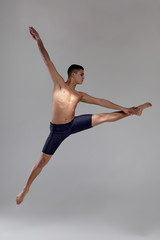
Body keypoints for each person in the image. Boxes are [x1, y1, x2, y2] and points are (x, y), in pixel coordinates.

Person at [16, 27, 152, 205]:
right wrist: (39, 41)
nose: (83, 77)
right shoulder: (58, 84)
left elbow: (100, 101)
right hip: (57, 130)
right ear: (73, 74)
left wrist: (124, 107)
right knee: (42, 161)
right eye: (81, 74)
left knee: (104, 116)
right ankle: (26, 189)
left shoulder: (79, 95)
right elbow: (47, 61)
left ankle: (135, 111)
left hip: (73, 124)